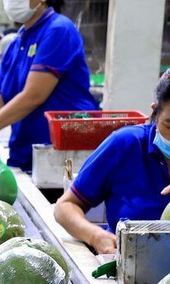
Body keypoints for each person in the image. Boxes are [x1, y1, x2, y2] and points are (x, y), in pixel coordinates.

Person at [0, 0, 98, 172]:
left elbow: (34, 96)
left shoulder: (58, 30)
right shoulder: (16, 43)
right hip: (24, 153)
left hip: (62, 157)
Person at [54, 75, 170, 254]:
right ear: (155, 112)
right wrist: (94, 236)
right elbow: (64, 207)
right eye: (169, 125)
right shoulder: (126, 145)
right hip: (130, 266)